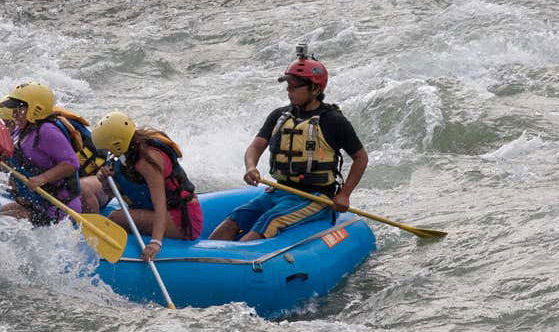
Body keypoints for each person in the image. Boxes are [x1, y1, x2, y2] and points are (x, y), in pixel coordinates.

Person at [209, 46, 368, 241]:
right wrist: (251, 167)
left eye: (294, 87)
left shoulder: (333, 120)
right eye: (288, 86)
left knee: (269, 221)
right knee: (233, 221)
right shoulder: (279, 115)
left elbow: (361, 158)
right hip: (280, 191)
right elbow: (256, 147)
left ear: (315, 89)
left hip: (315, 198)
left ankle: (239, 257)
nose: (288, 91)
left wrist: (344, 194)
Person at [90, 112, 203, 260]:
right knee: (116, 218)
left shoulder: (147, 161)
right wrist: (105, 180)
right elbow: (113, 193)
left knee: (116, 218)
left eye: (108, 148)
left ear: (117, 143)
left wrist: (156, 242)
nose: (108, 153)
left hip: (183, 220)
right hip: (162, 213)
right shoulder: (127, 154)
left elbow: (160, 204)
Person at [0, 82, 83, 226]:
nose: (14, 114)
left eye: (19, 109)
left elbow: (71, 163)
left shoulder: (47, 130)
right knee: (3, 212)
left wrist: (42, 179)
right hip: (39, 202)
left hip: (59, 207)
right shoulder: (22, 130)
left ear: (36, 109)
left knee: (8, 222)